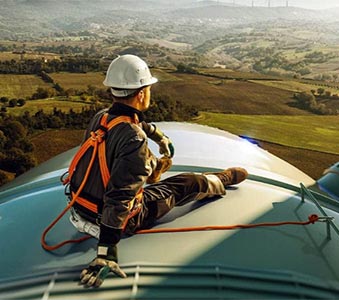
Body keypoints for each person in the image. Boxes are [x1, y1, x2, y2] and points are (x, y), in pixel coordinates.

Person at [67, 54, 248, 287]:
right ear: (141, 93)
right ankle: (220, 180)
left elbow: (132, 123)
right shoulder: (133, 138)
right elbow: (120, 196)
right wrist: (106, 251)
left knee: (143, 169)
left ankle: (152, 168)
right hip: (111, 221)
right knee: (187, 183)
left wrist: (158, 135)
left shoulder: (101, 117)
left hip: (79, 209)